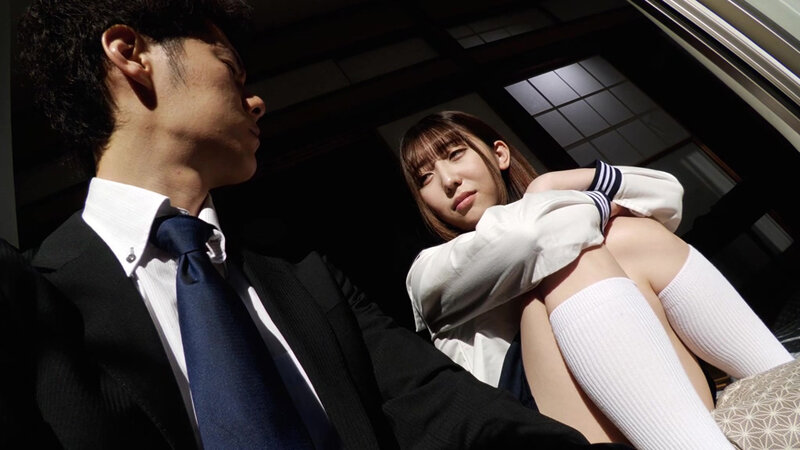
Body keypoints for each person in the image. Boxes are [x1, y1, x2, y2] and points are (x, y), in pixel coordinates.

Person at [4, 2, 635, 449]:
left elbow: (449, 410)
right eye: (230, 67)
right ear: (132, 54)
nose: (256, 100)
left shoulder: (306, 277)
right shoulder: (31, 298)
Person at [399, 110, 795, 449]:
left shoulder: (555, 210)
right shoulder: (428, 273)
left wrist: (552, 184)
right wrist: (581, 199)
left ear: (499, 154)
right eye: (425, 178)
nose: (448, 180)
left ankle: (787, 398)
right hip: (547, 429)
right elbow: (529, 237)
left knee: (626, 236)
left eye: (455, 155)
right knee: (572, 262)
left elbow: (667, 193)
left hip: (647, 406)